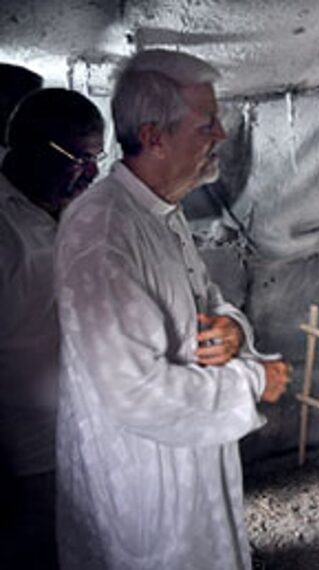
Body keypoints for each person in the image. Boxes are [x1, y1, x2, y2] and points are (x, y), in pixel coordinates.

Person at [54, 49, 290, 569]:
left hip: (189, 462)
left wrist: (232, 331)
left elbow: (208, 302)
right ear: (155, 136)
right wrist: (253, 381)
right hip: (144, 479)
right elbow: (137, 393)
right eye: (207, 125)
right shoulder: (102, 231)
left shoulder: (162, 212)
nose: (221, 137)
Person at [0, 88, 105, 569]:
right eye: (80, 157)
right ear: (29, 147)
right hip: (26, 437)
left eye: (97, 159)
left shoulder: (75, 212)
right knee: (37, 543)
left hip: (84, 419)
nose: (93, 172)